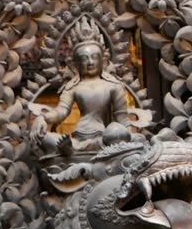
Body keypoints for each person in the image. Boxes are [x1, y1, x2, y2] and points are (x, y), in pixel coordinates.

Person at [30, 20, 129, 154]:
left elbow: (123, 119)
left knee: (116, 132)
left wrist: (127, 136)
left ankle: (72, 150)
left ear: (103, 59)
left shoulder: (113, 85)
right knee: (45, 137)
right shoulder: (73, 87)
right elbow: (61, 112)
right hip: (78, 136)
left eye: (94, 57)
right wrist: (42, 118)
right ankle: (70, 148)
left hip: (105, 137)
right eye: (84, 58)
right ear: (75, 64)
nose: (90, 62)